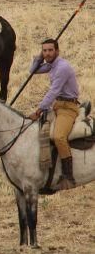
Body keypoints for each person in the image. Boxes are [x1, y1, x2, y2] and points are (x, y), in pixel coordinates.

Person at [28, 38, 80, 190]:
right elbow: (33, 70)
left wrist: (39, 110)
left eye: (50, 50)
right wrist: (40, 57)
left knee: (59, 136)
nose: (48, 53)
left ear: (57, 51)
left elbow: (53, 91)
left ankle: (68, 176)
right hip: (58, 105)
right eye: (45, 50)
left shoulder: (62, 67)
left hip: (68, 107)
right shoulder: (51, 64)